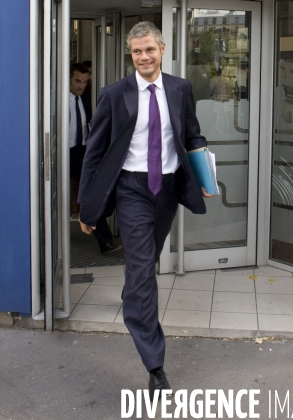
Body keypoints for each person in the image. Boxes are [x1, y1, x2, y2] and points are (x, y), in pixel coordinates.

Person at [78, 22, 214, 399]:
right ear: (131, 54)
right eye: (136, 51)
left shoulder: (180, 88)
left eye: (149, 50)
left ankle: (133, 295)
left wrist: (205, 177)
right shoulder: (113, 94)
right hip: (131, 189)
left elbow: (192, 134)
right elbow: (95, 153)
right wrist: (87, 208)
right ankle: (155, 365)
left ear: (162, 49)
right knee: (141, 269)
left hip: (167, 189)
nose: (143, 57)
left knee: (146, 261)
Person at [69, 62, 118, 254]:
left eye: (84, 82)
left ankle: (104, 242)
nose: (80, 86)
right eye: (76, 81)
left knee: (92, 194)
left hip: (83, 152)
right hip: (63, 152)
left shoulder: (86, 99)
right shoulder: (57, 100)